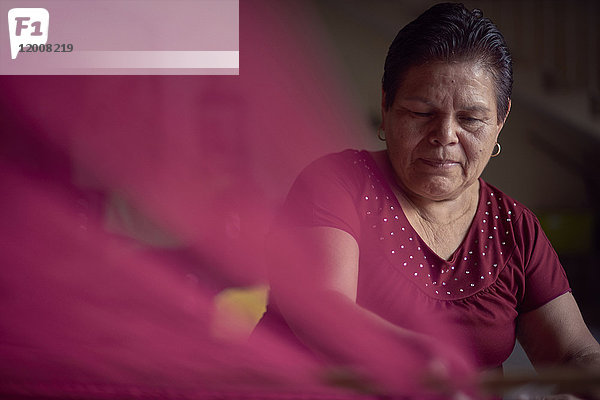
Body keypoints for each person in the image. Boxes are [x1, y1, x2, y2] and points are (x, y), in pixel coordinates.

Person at [254, 2, 600, 398]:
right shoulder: (337, 185)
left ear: (500, 119)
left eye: (471, 119)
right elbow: (320, 308)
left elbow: (575, 352)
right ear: (386, 107)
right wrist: (419, 358)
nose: (445, 135)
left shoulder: (514, 228)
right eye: (421, 112)